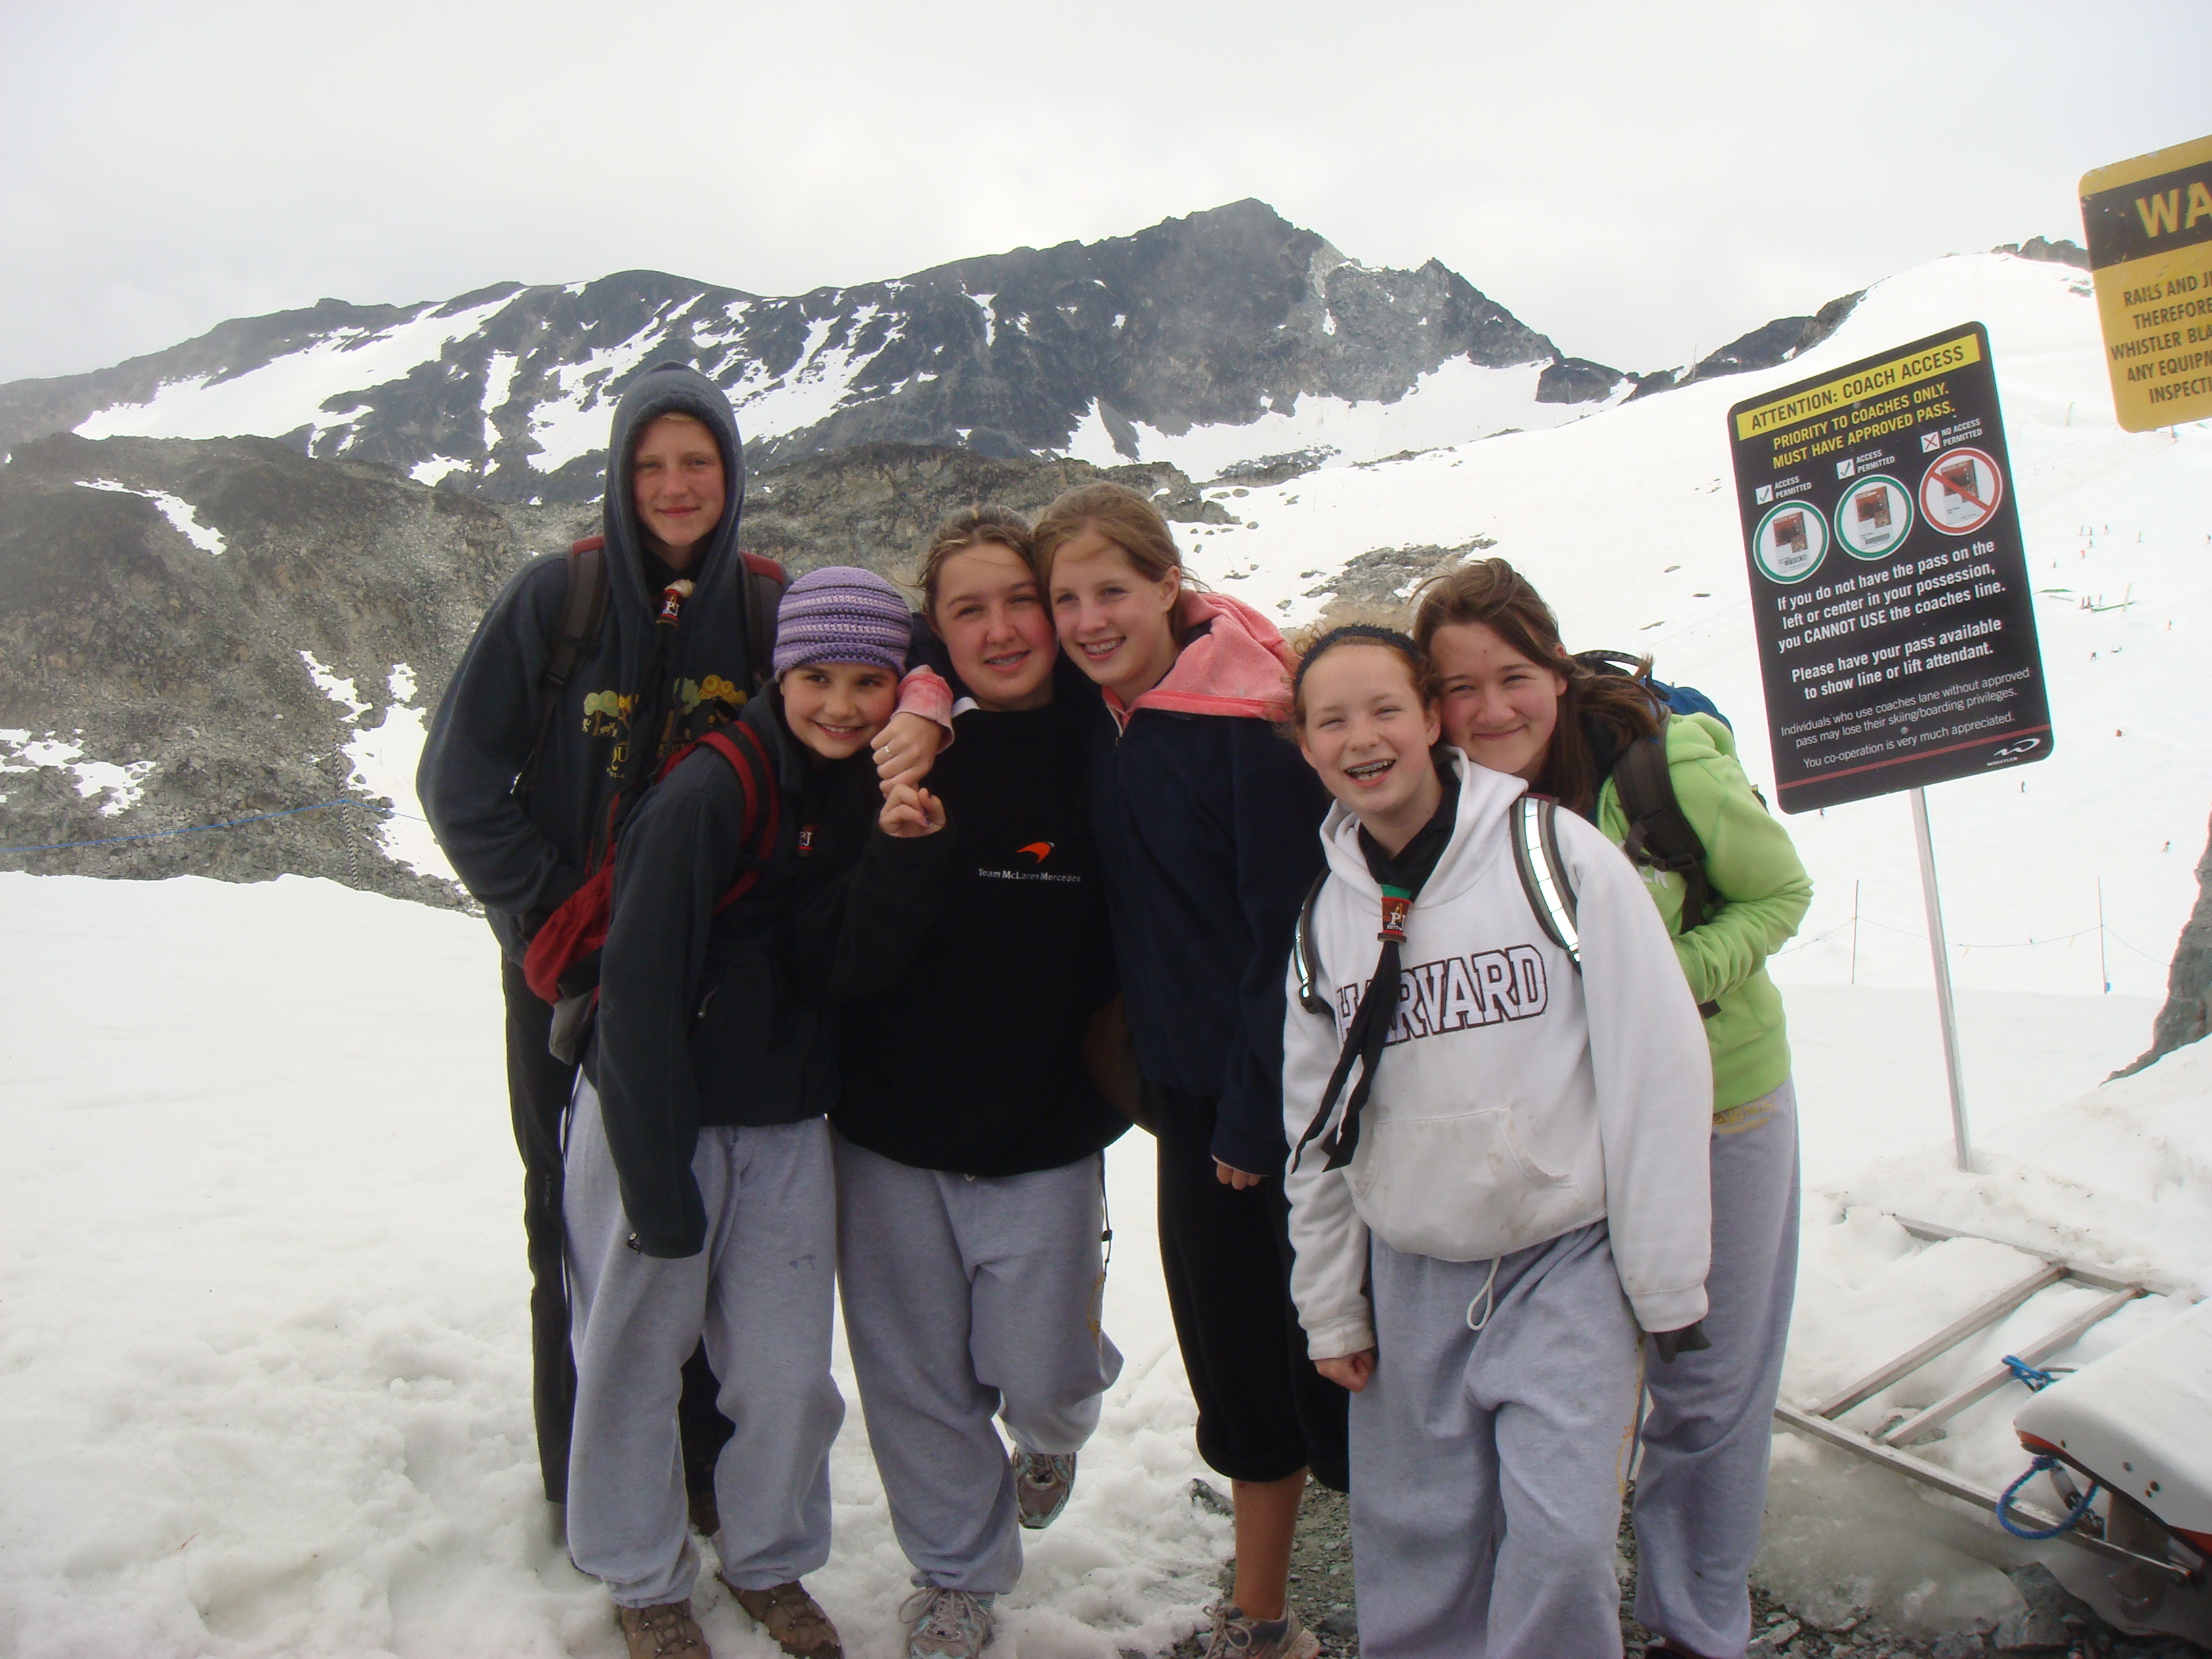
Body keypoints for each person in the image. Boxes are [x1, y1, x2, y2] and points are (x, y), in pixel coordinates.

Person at [417, 365, 945, 1526]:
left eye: (697, 462)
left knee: (704, 1213)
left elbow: (896, 647)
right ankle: (591, 1482)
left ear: (731, 473)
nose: (673, 486)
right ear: (619, 474)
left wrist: (925, 705)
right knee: (569, 1210)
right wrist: (562, 916)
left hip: (726, 981)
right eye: (649, 464)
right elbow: (459, 783)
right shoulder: (556, 598)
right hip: (561, 971)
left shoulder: (764, 605)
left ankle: (707, 1473)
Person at [1278, 624, 1715, 1659]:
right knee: (1419, 1546)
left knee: (1561, 1544)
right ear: (1305, 746)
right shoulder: (1325, 920)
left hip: (1563, 1262)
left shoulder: (1554, 856)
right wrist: (1332, 1304)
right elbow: (1317, 1130)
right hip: (1413, 1273)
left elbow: (1655, 1065)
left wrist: (1665, 1282)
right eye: (1331, 721)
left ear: (1433, 717)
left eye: (1385, 709)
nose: (1362, 738)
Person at [1411, 560, 1813, 1659]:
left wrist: (1665, 982)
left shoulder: (1656, 763)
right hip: (1564, 1135)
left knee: (1710, 1385)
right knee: (1569, 1394)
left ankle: (1695, 1628)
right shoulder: (1442, 805)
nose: (1492, 710)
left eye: (1513, 677)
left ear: (1555, 669)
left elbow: (1780, 891)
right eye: (1459, 688)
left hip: (1718, 1108)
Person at [567, 565, 943, 1659]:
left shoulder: (861, 787)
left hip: (783, 1115)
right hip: (656, 1115)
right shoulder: (708, 793)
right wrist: (654, 1183)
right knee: (634, 1360)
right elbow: (637, 994)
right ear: (780, 675)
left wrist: (906, 841)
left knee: (786, 1377)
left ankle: (770, 1559)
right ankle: (641, 1575)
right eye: (817, 677)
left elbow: (837, 963)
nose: (843, 705)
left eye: (871, 682)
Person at [808, 506, 1129, 1659]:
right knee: (915, 1382)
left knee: (1043, 1378)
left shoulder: (1116, 736)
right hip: (889, 1126)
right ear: (935, 633)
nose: (1001, 631)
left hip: (1046, 1131)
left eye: (1019, 602)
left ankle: (1056, 1427)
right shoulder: (901, 750)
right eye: (967, 612)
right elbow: (844, 951)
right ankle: (955, 1575)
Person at [1035, 482, 1344, 1659]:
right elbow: (952, 647)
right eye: (1067, 598)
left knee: (1327, 1362)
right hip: (1186, 1100)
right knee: (1237, 1367)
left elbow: (1289, 940)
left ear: (1171, 584)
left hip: (1273, 1111)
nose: (1087, 620)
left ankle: (1434, 1600)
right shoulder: (1111, 712)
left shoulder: (1247, 727)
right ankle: (1261, 1619)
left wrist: (1254, 1120)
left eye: (1112, 590)